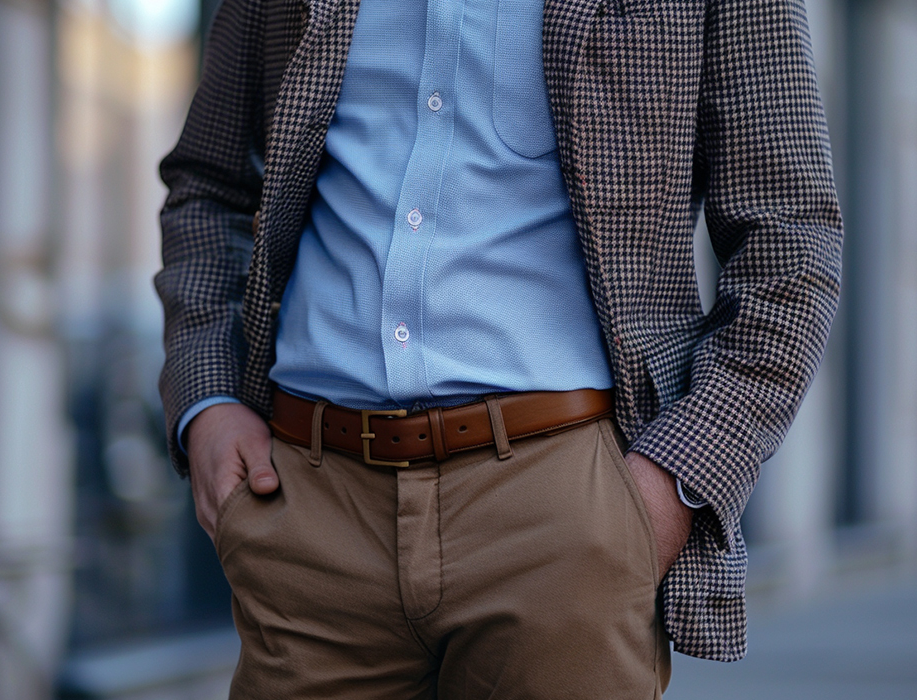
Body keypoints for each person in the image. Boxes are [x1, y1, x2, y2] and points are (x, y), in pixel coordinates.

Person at [155, 0, 842, 696]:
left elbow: (790, 236)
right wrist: (207, 399)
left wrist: (667, 486)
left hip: (563, 513)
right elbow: (209, 184)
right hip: (311, 511)